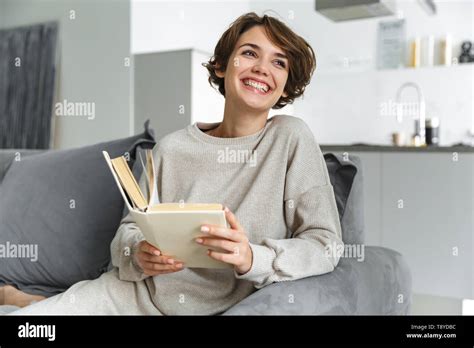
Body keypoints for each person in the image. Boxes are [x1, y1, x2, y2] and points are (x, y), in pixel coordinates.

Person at [11, 12, 343, 315]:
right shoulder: (172, 147)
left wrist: (253, 257)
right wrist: (138, 253)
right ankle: (28, 301)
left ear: (285, 84)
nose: (262, 68)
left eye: (279, 62)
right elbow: (127, 232)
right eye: (250, 53)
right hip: (134, 298)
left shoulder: (291, 138)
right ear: (222, 66)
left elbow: (325, 244)